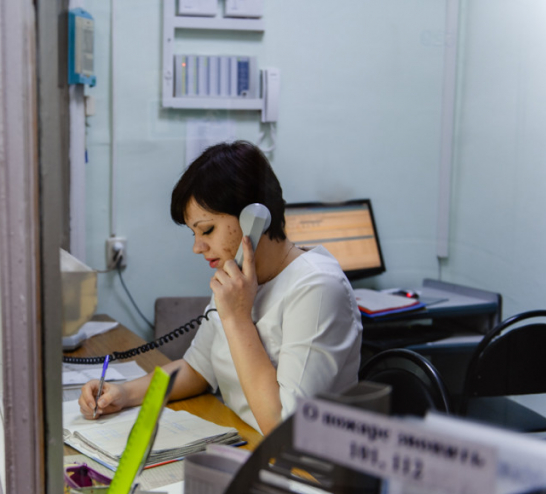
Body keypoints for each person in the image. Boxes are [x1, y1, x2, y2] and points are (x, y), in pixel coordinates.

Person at [78, 141, 362, 435]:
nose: (197, 247)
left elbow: (284, 429)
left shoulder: (317, 288)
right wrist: (124, 394)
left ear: (256, 219)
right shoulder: (238, 280)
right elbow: (198, 369)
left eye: (207, 230)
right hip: (243, 440)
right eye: (194, 233)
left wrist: (237, 318)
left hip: (304, 470)